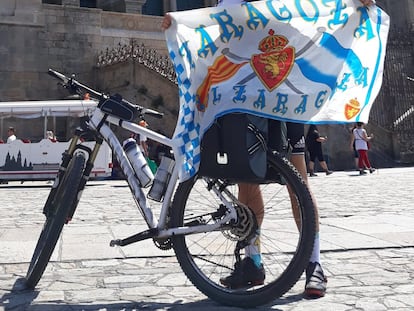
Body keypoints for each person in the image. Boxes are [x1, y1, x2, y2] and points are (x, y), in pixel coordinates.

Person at [161, 0, 376, 298]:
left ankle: (313, 263)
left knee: (297, 183)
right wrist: (180, 24)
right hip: (246, 102)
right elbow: (213, 39)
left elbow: (316, 12)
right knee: (246, 182)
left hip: (285, 98)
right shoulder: (229, 4)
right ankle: (253, 259)